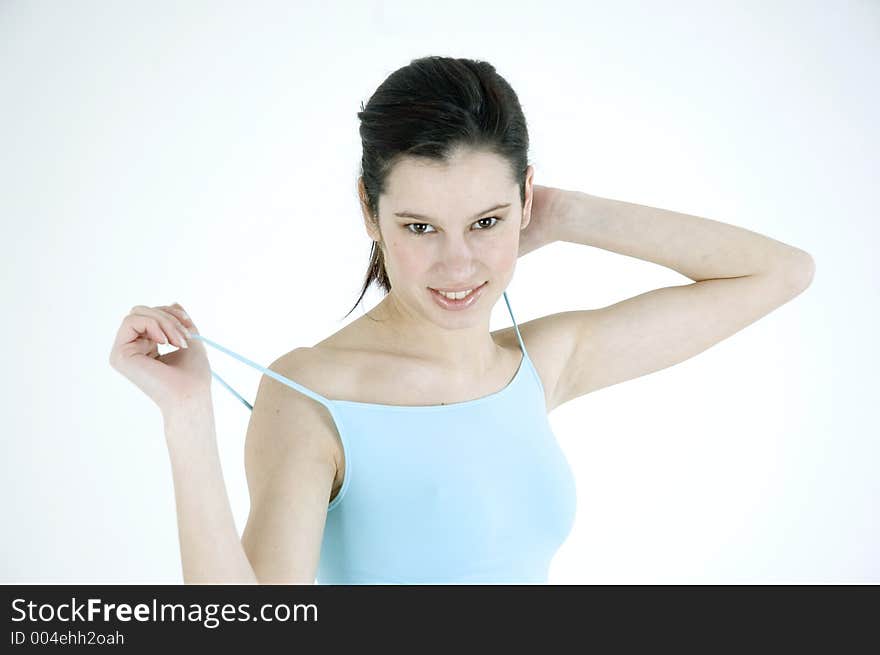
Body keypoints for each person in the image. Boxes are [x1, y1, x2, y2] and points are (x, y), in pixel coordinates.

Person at [108, 56, 815, 585]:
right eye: (420, 226)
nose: (457, 265)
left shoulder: (538, 365)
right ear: (369, 210)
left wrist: (564, 214)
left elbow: (780, 272)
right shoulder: (313, 396)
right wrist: (187, 416)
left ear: (524, 197)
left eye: (486, 221)